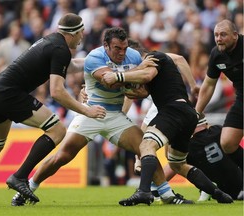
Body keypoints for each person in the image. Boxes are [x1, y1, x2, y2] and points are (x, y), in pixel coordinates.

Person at [11, 27, 192, 206]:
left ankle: (167, 194)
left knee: (145, 149)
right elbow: (109, 81)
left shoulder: (134, 57)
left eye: (125, 48)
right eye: (117, 49)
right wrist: (133, 77)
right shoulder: (94, 57)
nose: (122, 53)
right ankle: (28, 188)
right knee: (63, 155)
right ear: (106, 46)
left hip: (115, 115)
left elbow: (142, 91)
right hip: (91, 112)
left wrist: (134, 84)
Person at [0, 13, 106, 207]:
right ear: (73, 32)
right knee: (57, 130)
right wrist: (87, 111)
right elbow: (57, 92)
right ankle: (20, 176)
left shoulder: (52, 42)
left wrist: (100, 60)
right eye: (81, 32)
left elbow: (71, 66)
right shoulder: (60, 48)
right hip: (9, 94)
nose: (82, 36)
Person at [102, 48, 234, 205]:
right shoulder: (154, 66)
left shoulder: (154, 57)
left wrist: (117, 76)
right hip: (187, 113)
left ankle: (144, 192)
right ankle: (217, 193)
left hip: (173, 110)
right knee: (177, 164)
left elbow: (147, 75)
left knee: (145, 145)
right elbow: (141, 92)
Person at [137, 113, 243, 201]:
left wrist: (155, 184)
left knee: (179, 164)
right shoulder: (217, 130)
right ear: (206, 123)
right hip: (239, 185)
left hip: (220, 190)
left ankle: (206, 189)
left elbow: (172, 167)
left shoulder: (188, 146)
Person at [195, 19, 243, 171]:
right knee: (227, 143)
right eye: (216, 35)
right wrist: (196, 113)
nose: (218, 39)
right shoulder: (216, 55)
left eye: (223, 34)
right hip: (242, 99)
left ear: (235, 35)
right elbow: (209, 84)